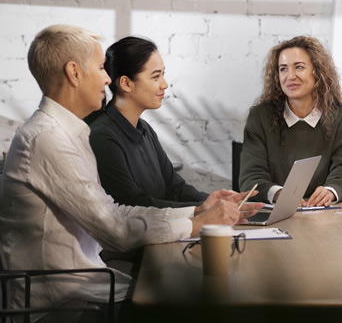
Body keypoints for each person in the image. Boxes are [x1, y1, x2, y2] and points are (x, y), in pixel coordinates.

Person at [0, 24, 259, 323]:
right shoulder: (49, 140)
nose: (107, 79)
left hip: (85, 290)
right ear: (74, 73)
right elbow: (118, 232)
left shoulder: (67, 133)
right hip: (64, 309)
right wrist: (197, 223)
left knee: (201, 298)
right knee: (204, 310)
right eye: (99, 68)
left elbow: (117, 212)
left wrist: (197, 214)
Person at [88, 36, 233, 209]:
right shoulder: (102, 137)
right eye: (156, 76)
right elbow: (134, 204)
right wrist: (199, 210)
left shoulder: (144, 129)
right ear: (126, 83)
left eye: (163, 74)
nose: (164, 85)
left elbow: (175, 188)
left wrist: (215, 201)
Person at [239, 35, 342, 206]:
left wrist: (331, 191)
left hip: (323, 215)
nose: (290, 76)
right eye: (283, 69)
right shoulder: (260, 117)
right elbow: (250, 178)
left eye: (299, 67)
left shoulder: (341, 118)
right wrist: (279, 194)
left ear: (318, 71)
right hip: (274, 213)